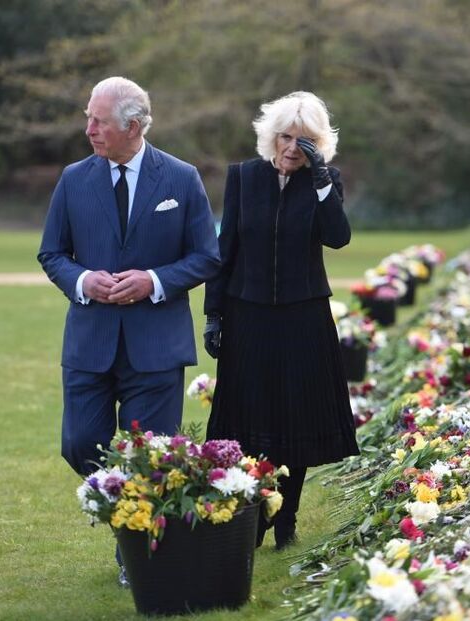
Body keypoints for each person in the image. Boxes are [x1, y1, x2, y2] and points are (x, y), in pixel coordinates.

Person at [38, 76, 220, 584]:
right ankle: (127, 515)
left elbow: (207, 256)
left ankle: (135, 554)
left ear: (134, 126)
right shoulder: (74, 179)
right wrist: (82, 280)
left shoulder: (182, 179)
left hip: (157, 346)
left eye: (99, 121)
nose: (89, 129)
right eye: (88, 118)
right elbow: (51, 253)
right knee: (79, 444)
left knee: (151, 457)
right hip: (89, 343)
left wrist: (154, 281)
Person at [203, 91, 359, 550]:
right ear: (271, 138)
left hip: (302, 317)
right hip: (247, 314)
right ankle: (254, 514)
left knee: (295, 420)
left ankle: (286, 515)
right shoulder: (243, 178)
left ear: (318, 146)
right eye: (286, 137)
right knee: (248, 419)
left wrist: (323, 180)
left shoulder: (325, 183)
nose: (292, 148)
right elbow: (224, 249)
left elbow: (338, 238)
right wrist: (215, 314)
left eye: (304, 141)